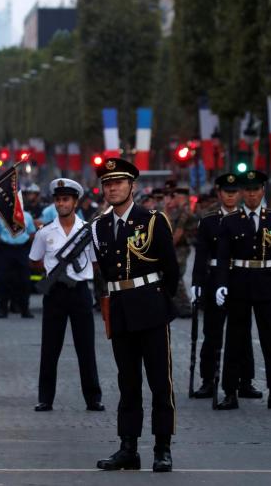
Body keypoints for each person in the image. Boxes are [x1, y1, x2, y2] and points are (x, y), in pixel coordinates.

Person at [92, 158, 178, 473]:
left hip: (151, 305)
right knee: (127, 382)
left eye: (118, 182)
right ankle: (128, 447)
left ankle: (162, 447)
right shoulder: (99, 226)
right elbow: (101, 270)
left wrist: (157, 299)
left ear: (132, 186)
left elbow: (171, 270)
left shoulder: (152, 220)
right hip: (120, 309)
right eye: (107, 183)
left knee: (159, 381)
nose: (112, 188)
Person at [29, 178, 103, 412]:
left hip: (80, 292)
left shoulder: (88, 231)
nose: (62, 203)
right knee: (50, 348)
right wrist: (54, 272)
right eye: (58, 199)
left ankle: (93, 398)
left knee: (86, 347)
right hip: (54, 294)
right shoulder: (45, 233)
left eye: (66, 199)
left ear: (75, 202)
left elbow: (95, 262)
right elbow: (34, 261)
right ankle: (45, 398)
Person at [215, 169, 271, 410]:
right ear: (242, 193)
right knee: (234, 340)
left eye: (256, 190)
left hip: (266, 283)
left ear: (262, 191)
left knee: (270, 340)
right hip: (239, 283)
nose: (252, 195)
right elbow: (223, 257)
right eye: (248, 190)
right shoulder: (230, 221)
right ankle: (230, 392)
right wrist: (221, 284)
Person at [190, 174, 259, 399]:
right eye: (226, 192)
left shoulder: (247, 218)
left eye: (235, 191)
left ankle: (245, 380)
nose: (231, 195)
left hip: (240, 279)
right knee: (212, 332)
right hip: (213, 279)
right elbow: (201, 254)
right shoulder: (209, 219)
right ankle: (208, 380)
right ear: (219, 193)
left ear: (240, 193)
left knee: (243, 333)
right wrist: (197, 284)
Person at [0, 196, 37, 318]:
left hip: (22, 250)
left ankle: (24, 309)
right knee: (3, 280)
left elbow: (32, 233)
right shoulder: (1, 216)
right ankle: (2, 309)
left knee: (24, 281)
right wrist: (8, 241)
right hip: (6, 250)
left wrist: (22, 241)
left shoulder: (26, 216)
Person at [170, 187, 196, 318]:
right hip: (180, 247)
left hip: (181, 247)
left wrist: (169, 247)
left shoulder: (184, 211)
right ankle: (179, 305)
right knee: (176, 274)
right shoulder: (180, 210)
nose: (173, 199)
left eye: (175, 197)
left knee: (177, 274)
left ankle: (185, 306)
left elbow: (179, 232)